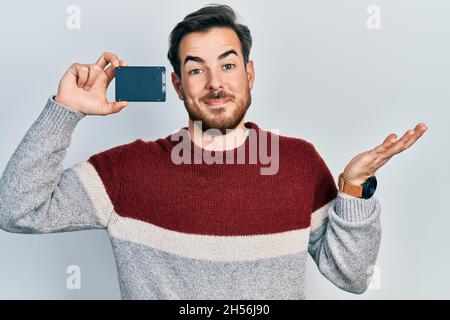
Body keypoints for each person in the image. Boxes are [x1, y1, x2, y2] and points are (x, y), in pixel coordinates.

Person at [0, 4, 427, 299]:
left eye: (227, 64)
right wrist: (64, 112)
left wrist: (352, 189)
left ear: (250, 73)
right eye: (196, 69)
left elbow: (351, 277)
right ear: (178, 84)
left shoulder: (298, 164)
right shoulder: (126, 171)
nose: (214, 83)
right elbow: (18, 210)